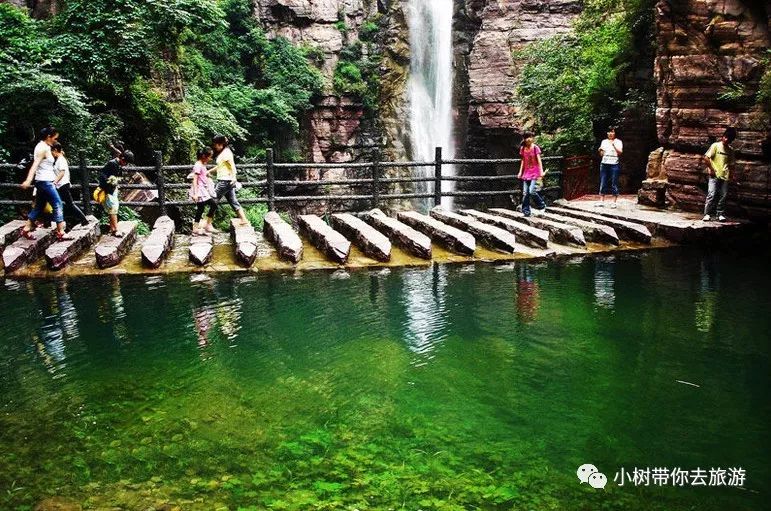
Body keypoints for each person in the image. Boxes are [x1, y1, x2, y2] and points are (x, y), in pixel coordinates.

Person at [20, 126, 66, 240]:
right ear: (48, 137)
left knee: (39, 207)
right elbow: (35, 165)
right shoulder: (42, 148)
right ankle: (61, 232)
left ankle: (26, 230)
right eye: (54, 138)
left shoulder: (45, 146)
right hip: (45, 182)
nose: (56, 141)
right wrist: (28, 180)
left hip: (44, 181)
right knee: (57, 203)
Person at [212, 135, 249, 225]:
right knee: (233, 201)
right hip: (226, 180)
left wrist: (234, 177)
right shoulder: (224, 152)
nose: (214, 146)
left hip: (225, 180)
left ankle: (207, 222)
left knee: (213, 199)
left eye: (215, 144)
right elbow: (220, 166)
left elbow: (232, 165)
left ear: (220, 144)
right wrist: (208, 171)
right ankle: (243, 219)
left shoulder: (226, 153)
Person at [96, 149, 134, 237]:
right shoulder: (112, 163)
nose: (126, 164)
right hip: (108, 189)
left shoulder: (118, 164)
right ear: (122, 158)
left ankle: (113, 228)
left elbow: (118, 176)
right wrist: (109, 182)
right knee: (113, 208)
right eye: (126, 162)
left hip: (113, 189)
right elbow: (102, 175)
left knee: (113, 209)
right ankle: (116, 230)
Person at [702, 127, 736, 222]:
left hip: (725, 176)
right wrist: (712, 169)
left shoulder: (731, 150)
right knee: (711, 194)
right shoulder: (715, 146)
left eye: (729, 139)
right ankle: (707, 214)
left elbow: (732, 164)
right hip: (714, 175)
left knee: (723, 196)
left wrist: (732, 175)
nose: (726, 139)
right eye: (725, 137)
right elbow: (706, 158)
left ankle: (720, 214)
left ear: (731, 140)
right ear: (723, 137)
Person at [51, 142, 89, 226]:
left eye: (52, 151)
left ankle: (83, 219)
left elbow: (62, 172)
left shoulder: (61, 160)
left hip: (62, 185)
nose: (51, 154)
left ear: (55, 150)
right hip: (61, 185)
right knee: (63, 203)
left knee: (69, 204)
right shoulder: (60, 159)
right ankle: (57, 220)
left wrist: (54, 182)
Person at [189, 147, 218, 234]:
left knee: (200, 209)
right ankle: (207, 224)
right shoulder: (198, 165)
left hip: (202, 189)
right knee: (213, 204)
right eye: (209, 156)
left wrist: (207, 175)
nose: (210, 158)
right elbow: (195, 179)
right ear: (204, 156)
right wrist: (195, 193)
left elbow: (202, 175)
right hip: (200, 190)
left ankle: (197, 227)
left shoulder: (202, 164)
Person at [517, 132, 545, 217]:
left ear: (532, 138)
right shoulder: (522, 148)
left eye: (530, 137)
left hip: (535, 172)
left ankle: (541, 205)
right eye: (526, 137)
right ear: (524, 139)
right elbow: (523, 161)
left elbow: (539, 160)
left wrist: (541, 172)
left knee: (531, 191)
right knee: (525, 193)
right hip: (526, 173)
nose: (528, 139)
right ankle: (526, 211)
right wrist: (520, 172)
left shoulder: (535, 148)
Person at [598, 127, 623, 206]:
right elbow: (601, 154)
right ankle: (601, 201)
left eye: (612, 132)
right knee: (603, 181)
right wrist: (600, 150)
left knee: (614, 182)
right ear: (607, 133)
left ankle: (614, 202)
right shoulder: (604, 142)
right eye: (609, 132)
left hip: (614, 163)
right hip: (604, 163)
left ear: (615, 133)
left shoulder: (618, 141)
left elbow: (620, 153)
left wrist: (614, 145)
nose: (610, 134)